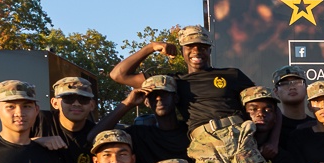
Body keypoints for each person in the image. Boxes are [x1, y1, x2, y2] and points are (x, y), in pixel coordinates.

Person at [109, 25, 254, 139]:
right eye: (190, 46)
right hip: (205, 143)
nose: (196, 51)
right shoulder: (173, 81)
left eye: (202, 47)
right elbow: (118, 75)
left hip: (239, 135)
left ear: (209, 50)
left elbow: (265, 103)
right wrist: (151, 47)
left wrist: (271, 140)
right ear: (182, 50)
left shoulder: (232, 74)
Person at [92, 75, 190, 163]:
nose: (158, 98)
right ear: (146, 102)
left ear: (176, 98)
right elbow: (94, 137)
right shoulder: (139, 134)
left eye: (164, 94)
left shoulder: (190, 131)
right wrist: (128, 103)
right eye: (152, 95)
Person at [34, 77, 99, 163]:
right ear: (55, 103)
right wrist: (37, 141)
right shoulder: (39, 120)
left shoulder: (96, 133)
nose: (76, 103)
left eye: (83, 99)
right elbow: (11, 145)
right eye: (69, 98)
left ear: (91, 105)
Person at [273, 65, 314, 146]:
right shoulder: (273, 128)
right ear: (276, 92)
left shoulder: (316, 126)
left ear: (306, 88)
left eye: (297, 82)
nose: (292, 87)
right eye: (284, 84)